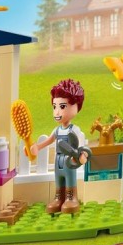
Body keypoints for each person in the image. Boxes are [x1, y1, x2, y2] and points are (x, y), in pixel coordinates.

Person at [30, 79, 89, 214]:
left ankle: (71, 197)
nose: (57, 112)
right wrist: (37, 147)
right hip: (58, 160)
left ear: (76, 106)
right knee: (58, 179)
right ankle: (58, 197)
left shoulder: (74, 130)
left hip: (69, 160)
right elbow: (48, 141)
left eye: (62, 107)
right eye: (54, 107)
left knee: (69, 178)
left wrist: (82, 155)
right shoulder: (57, 130)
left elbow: (81, 146)